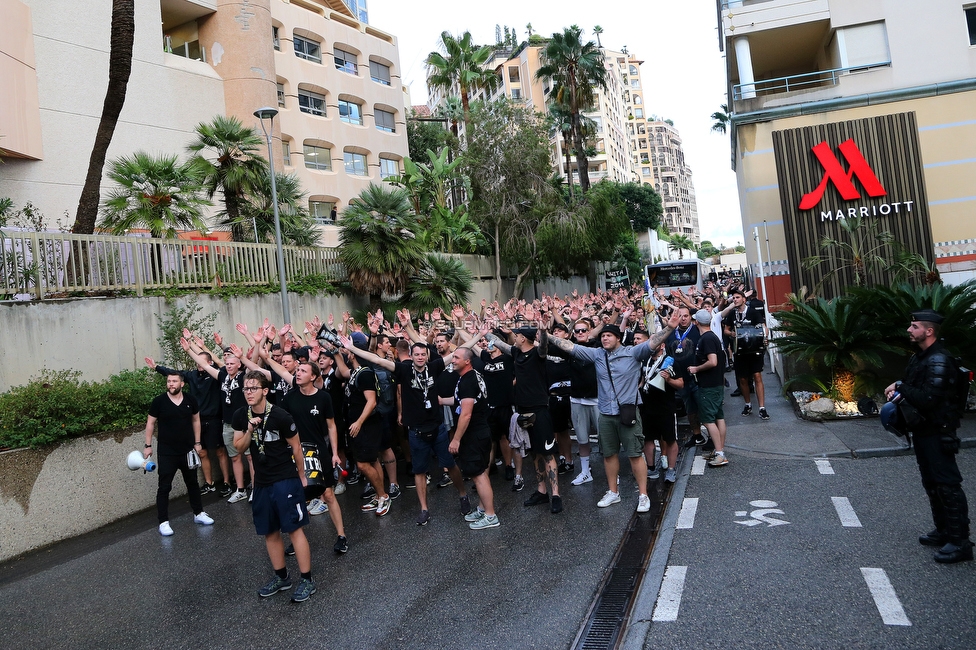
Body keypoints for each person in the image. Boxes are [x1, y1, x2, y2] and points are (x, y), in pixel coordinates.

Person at [547, 307, 680, 512]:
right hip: (606, 414)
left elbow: (653, 341)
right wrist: (546, 335)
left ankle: (643, 495)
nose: (604, 339)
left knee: (635, 454)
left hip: (628, 413)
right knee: (609, 455)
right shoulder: (597, 354)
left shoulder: (633, 352)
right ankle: (613, 492)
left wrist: (670, 328)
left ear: (618, 338)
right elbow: (569, 347)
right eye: (602, 336)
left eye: (608, 335)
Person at [884, 309, 972, 563]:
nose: (909, 330)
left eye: (914, 326)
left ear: (928, 331)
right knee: (932, 484)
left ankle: (960, 542)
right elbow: (915, 384)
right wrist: (900, 384)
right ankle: (943, 531)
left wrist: (900, 387)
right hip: (923, 431)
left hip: (938, 432)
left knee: (947, 486)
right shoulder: (921, 358)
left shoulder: (940, 361)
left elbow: (928, 398)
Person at [232, 371, 316, 602]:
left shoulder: (281, 416)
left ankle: (307, 580)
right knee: (269, 531)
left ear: (265, 391)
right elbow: (238, 448)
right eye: (245, 389)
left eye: (253, 388)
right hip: (261, 482)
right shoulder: (241, 415)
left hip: (285, 479)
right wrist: (249, 429)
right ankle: (282, 577)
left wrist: (301, 476)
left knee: (294, 529)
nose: (248, 392)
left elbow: (297, 448)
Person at [487, 326, 563, 514]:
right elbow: (499, 343)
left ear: (523, 338)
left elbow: (544, 346)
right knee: (534, 453)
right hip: (523, 411)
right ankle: (541, 491)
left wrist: (544, 331)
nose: (514, 337)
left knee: (547, 452)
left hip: (540, 410)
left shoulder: (538, 354)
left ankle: (555, 495)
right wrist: (483, 333)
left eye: (517, 335)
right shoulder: (515, 353)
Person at [281, 361, 348, 555]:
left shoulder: (324, 398)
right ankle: (297, 538)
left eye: (303, 371)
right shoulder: (289, 398)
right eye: (297, 370)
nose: (298, 373)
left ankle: (341, 536)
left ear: (313, 377)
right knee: (297, 496)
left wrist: (335, 453)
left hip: (318, 451)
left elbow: (331, 426)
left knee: (328, 494)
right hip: (296, 452)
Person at [146, 352, 230, 496]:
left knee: (220, 452)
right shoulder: (191, 376)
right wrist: (156, 367)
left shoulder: (216, 375)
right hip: (197, 421)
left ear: (209, 362)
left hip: (214, 419)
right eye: (197, 361)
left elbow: (224, 368)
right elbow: (174, 375)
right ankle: (209, 483)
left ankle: (227, 482)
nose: (199, 364)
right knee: (202, 452)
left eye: (201, 361)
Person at [144, 373, 214, 536]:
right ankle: (163, 522)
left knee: (193, 483)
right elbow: (150, 423)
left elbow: (196, 420)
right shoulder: (159, 401)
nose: (171, 384)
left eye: (174, 381)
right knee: (164, 487)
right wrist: (148, 445)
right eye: (169, 381)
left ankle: (199, 513)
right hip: (167, 452)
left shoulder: (190, 400)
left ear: (182, 384)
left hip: (187, 450)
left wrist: (197, 443)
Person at [449, 347, 500, 530]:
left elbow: (466, 414)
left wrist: (456, 439)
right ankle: (482, 508)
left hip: (474, 434)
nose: (452, 360)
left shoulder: (467, 381)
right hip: (482, 431)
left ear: (467, 361)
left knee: (478, 475)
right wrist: (442, 400)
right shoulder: (472, 376)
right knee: (481, 472)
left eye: (456, 357)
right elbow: (464, 400)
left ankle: (490, 515)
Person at [689, 310, 729, 467]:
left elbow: (712, 361)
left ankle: (720, 453)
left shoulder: (706, 339)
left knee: (707, 420)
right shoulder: (712, 337)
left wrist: (696, 369)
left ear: (696, 322)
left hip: (709, 386)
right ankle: (720, 450)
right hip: (716, 383)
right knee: (719, 417)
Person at [723, 289, 769, 420]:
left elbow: (763, 327)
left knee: (757, 376)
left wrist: (765, 336)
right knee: (742, 379)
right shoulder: (732, 314)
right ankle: (748, 404)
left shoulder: (753, 312)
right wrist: (731, 333)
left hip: (754, 350)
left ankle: (762, 407)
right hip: (739, 350)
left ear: (744, 299)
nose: (735, 299)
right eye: (734, 298)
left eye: (737, 297)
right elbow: (726, 329)